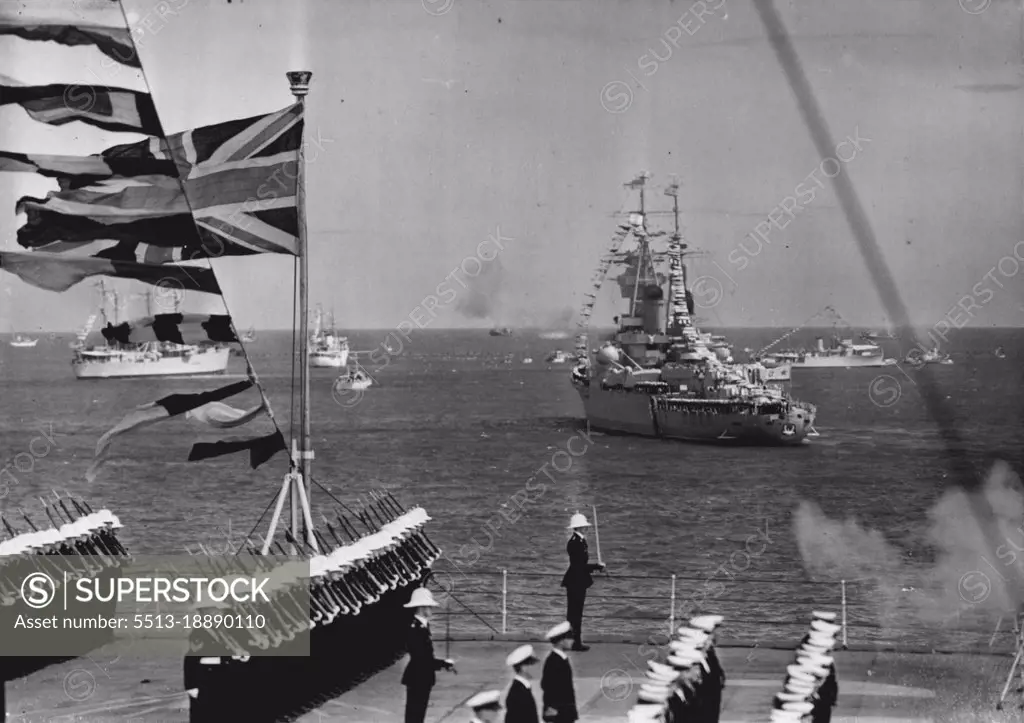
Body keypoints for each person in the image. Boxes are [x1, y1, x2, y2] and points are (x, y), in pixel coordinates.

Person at [401, 587, 455, 723]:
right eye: (429, 607)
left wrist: (442, 664)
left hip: (421, 676)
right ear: (422, 607)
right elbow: (421, 658)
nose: (431, 610)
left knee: (418, 714)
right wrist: (442, 664)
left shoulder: (422, 626)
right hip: (418, 676)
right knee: (415, 716)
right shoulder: (416, 629)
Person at [561, 512, 605, 651]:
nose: (586, 528)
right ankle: (575, 643)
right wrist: (596, 567)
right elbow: (579, 565)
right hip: (576, 581)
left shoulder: (580, 541)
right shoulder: (575, 543)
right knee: (575, 613)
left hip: (577, 580)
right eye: (583, 526)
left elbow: (580, 565)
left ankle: (572, 641)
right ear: (578, 527)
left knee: (575, 613)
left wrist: (594, 567)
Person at [540, 621, 578, 722]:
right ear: (561, 641)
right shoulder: (554, 661)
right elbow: (547, 685)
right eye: (569, 638)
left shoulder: (561, 659)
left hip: (565, 712)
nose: (572, 641)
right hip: (559, 713)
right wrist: (552, 707)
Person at [504, 644, 540, 723]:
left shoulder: (523, 688)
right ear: (524, 667)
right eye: (534, 663)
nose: (538, 667)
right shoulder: (518, 693)